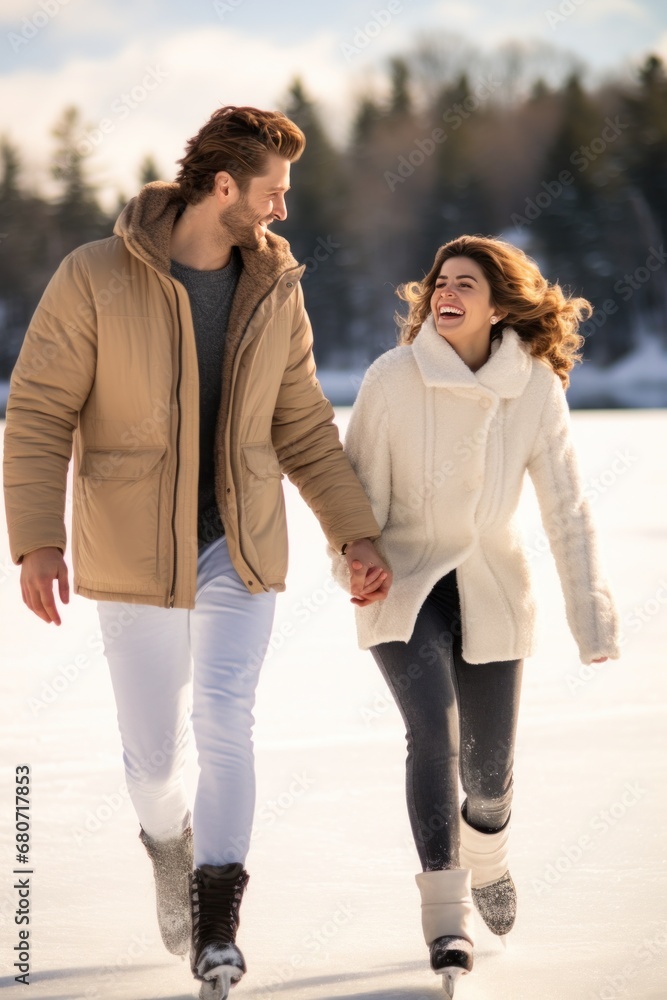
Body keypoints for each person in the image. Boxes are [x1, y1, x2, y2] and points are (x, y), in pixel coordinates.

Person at [3, 105, 392, 1000]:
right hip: (135, 547)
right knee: (149, 764)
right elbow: (37, 415)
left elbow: (299, 422)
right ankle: (167, 846)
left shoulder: (274, 287)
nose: (282, 211)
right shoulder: (95, 276)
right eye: (273, 192)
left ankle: (217, 926)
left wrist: (353, 531)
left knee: (226, 721)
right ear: (224, 188)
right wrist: (36, 540)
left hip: (239, 545)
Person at [330, 235, 620, 996]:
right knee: (432, 731)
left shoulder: (531, 388)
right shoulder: (392, 380)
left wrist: (589, 618)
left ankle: (487, 847)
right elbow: (350, 493)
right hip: (405, 581)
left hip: (492, 586)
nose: (445, 292)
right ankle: (444, 919)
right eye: (439, 282)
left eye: (466, 283)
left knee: (487, 779)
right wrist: (354, 560)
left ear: (498, 307)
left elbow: (565, 509)